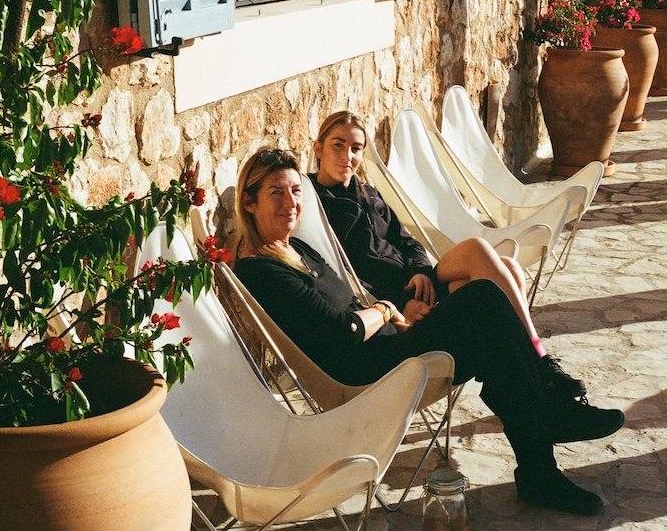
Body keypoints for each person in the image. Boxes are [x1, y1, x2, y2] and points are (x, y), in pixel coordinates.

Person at [232, 148, 625, 515]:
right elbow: (346, 329)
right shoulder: (260, 269)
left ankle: (541, 460)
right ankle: (547, 418)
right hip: (364, 373)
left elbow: (353, 309)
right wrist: (388, 310)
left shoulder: (299, 249)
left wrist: (402, 320)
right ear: (249, 202)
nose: (291, 203)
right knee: (485, 299)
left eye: (296, 191)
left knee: (493, 333)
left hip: (387, 348)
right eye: (275, 193)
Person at [309, 109, 585, 398]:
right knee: (483, 272)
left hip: (418, 283)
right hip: (396, 300)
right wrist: (401, 304)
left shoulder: (368, 194)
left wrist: (419, 270)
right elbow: (343, 276)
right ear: (318, 148)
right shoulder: (316, 205)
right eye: (337, 145)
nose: (347, 156)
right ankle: (536, 365)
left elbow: (408, 241)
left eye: (356, 148)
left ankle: (534, 365)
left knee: (505, 266)